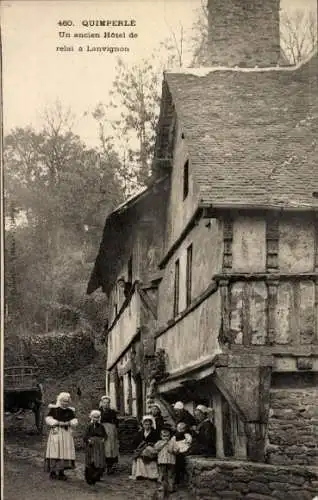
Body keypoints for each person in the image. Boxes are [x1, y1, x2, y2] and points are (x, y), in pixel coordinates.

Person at [44, 392, 78, 480]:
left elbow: (74, 420)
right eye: (63, 401)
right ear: (60, 401)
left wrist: (70, 422)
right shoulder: (54, 410)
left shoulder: (70, 411)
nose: (65, 403)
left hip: (66, 434)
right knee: (55, 450)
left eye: (67, 401)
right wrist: (56, 422)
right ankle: (53, 472)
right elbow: (48, 419)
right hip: (56, 433)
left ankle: (61, 472)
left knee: (64, 451)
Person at [130, 415, 159, 481]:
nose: (147, 426)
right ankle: (140, 474)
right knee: (139, 456)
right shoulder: (140, 433)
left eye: (149, 425)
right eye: (145, 424)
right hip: (141, 450)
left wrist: (150, 445)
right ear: (143, 425)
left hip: (151, 450)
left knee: (148, 453)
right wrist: (136, 449)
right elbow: (135, 442)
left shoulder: (155, 433)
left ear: (151, 425)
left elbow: (157, 442)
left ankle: (152, 475)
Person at [84, 410, 107, 485]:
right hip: (91, 446)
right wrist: (89, 440)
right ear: (91, 417)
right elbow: (85, 436)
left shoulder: (101, 426)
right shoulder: (89, 426)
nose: (95, 419)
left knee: (99, 461)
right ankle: (89, 478)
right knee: (91, 461)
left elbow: (105, 435)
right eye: (94, 417)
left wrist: (103, 439)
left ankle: (97, 476)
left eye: (97, 417)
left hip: (99, 446)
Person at [154, 424, 176, 495]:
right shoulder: (159, 442)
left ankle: (171, 486)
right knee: (162, 474)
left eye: (167, 436)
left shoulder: (172, 442)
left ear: (170, 436)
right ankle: (162, 486)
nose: (166, 438)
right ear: (161, 436)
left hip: (171, 461)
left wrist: (173, 450)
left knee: (170, 474)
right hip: (162, 461)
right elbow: (156, 448)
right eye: (164, 436)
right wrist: (164, 443)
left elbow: (177, 449)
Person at [99, 396, 119, 474]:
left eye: (107, 403)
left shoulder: (112, 412)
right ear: (101, 403)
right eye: (104, 403)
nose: (106, 404)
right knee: (102, 447)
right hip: (101, 430)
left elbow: (116, 422)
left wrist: (114, 429)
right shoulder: (98, 411)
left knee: (110, 448)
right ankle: (101, 466)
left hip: (110, 431)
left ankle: (110, 466)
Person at [169, 421, 192, 486]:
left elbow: (188, 444)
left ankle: (178, 478)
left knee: (180, 460)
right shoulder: (174, 437)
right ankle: (175, 478)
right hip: (176, 452)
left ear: (185, 429)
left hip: (185, 451)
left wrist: (183, 450)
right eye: (179, 428)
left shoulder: (187, 435)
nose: (180, 430)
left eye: (182, 428)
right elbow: (172, 444)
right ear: (177, 428)